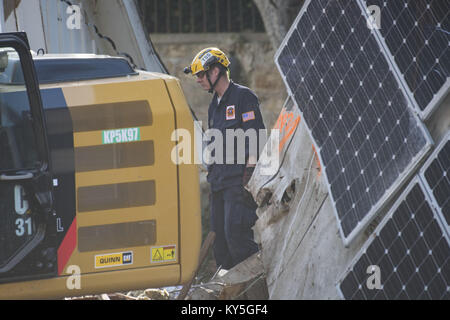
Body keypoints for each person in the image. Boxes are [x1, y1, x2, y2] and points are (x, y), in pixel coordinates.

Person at [184, 47, 266, 270]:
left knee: (236, 238)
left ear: (216, 71)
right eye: (197, 76)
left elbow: (255, 138)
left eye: (201, 74)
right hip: (219, 183)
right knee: (220, 246)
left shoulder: (243, 97)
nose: (198, 80)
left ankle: (261, 287)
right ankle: (232, 294)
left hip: (238, 183)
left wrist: (248, 175)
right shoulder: (214, 105)